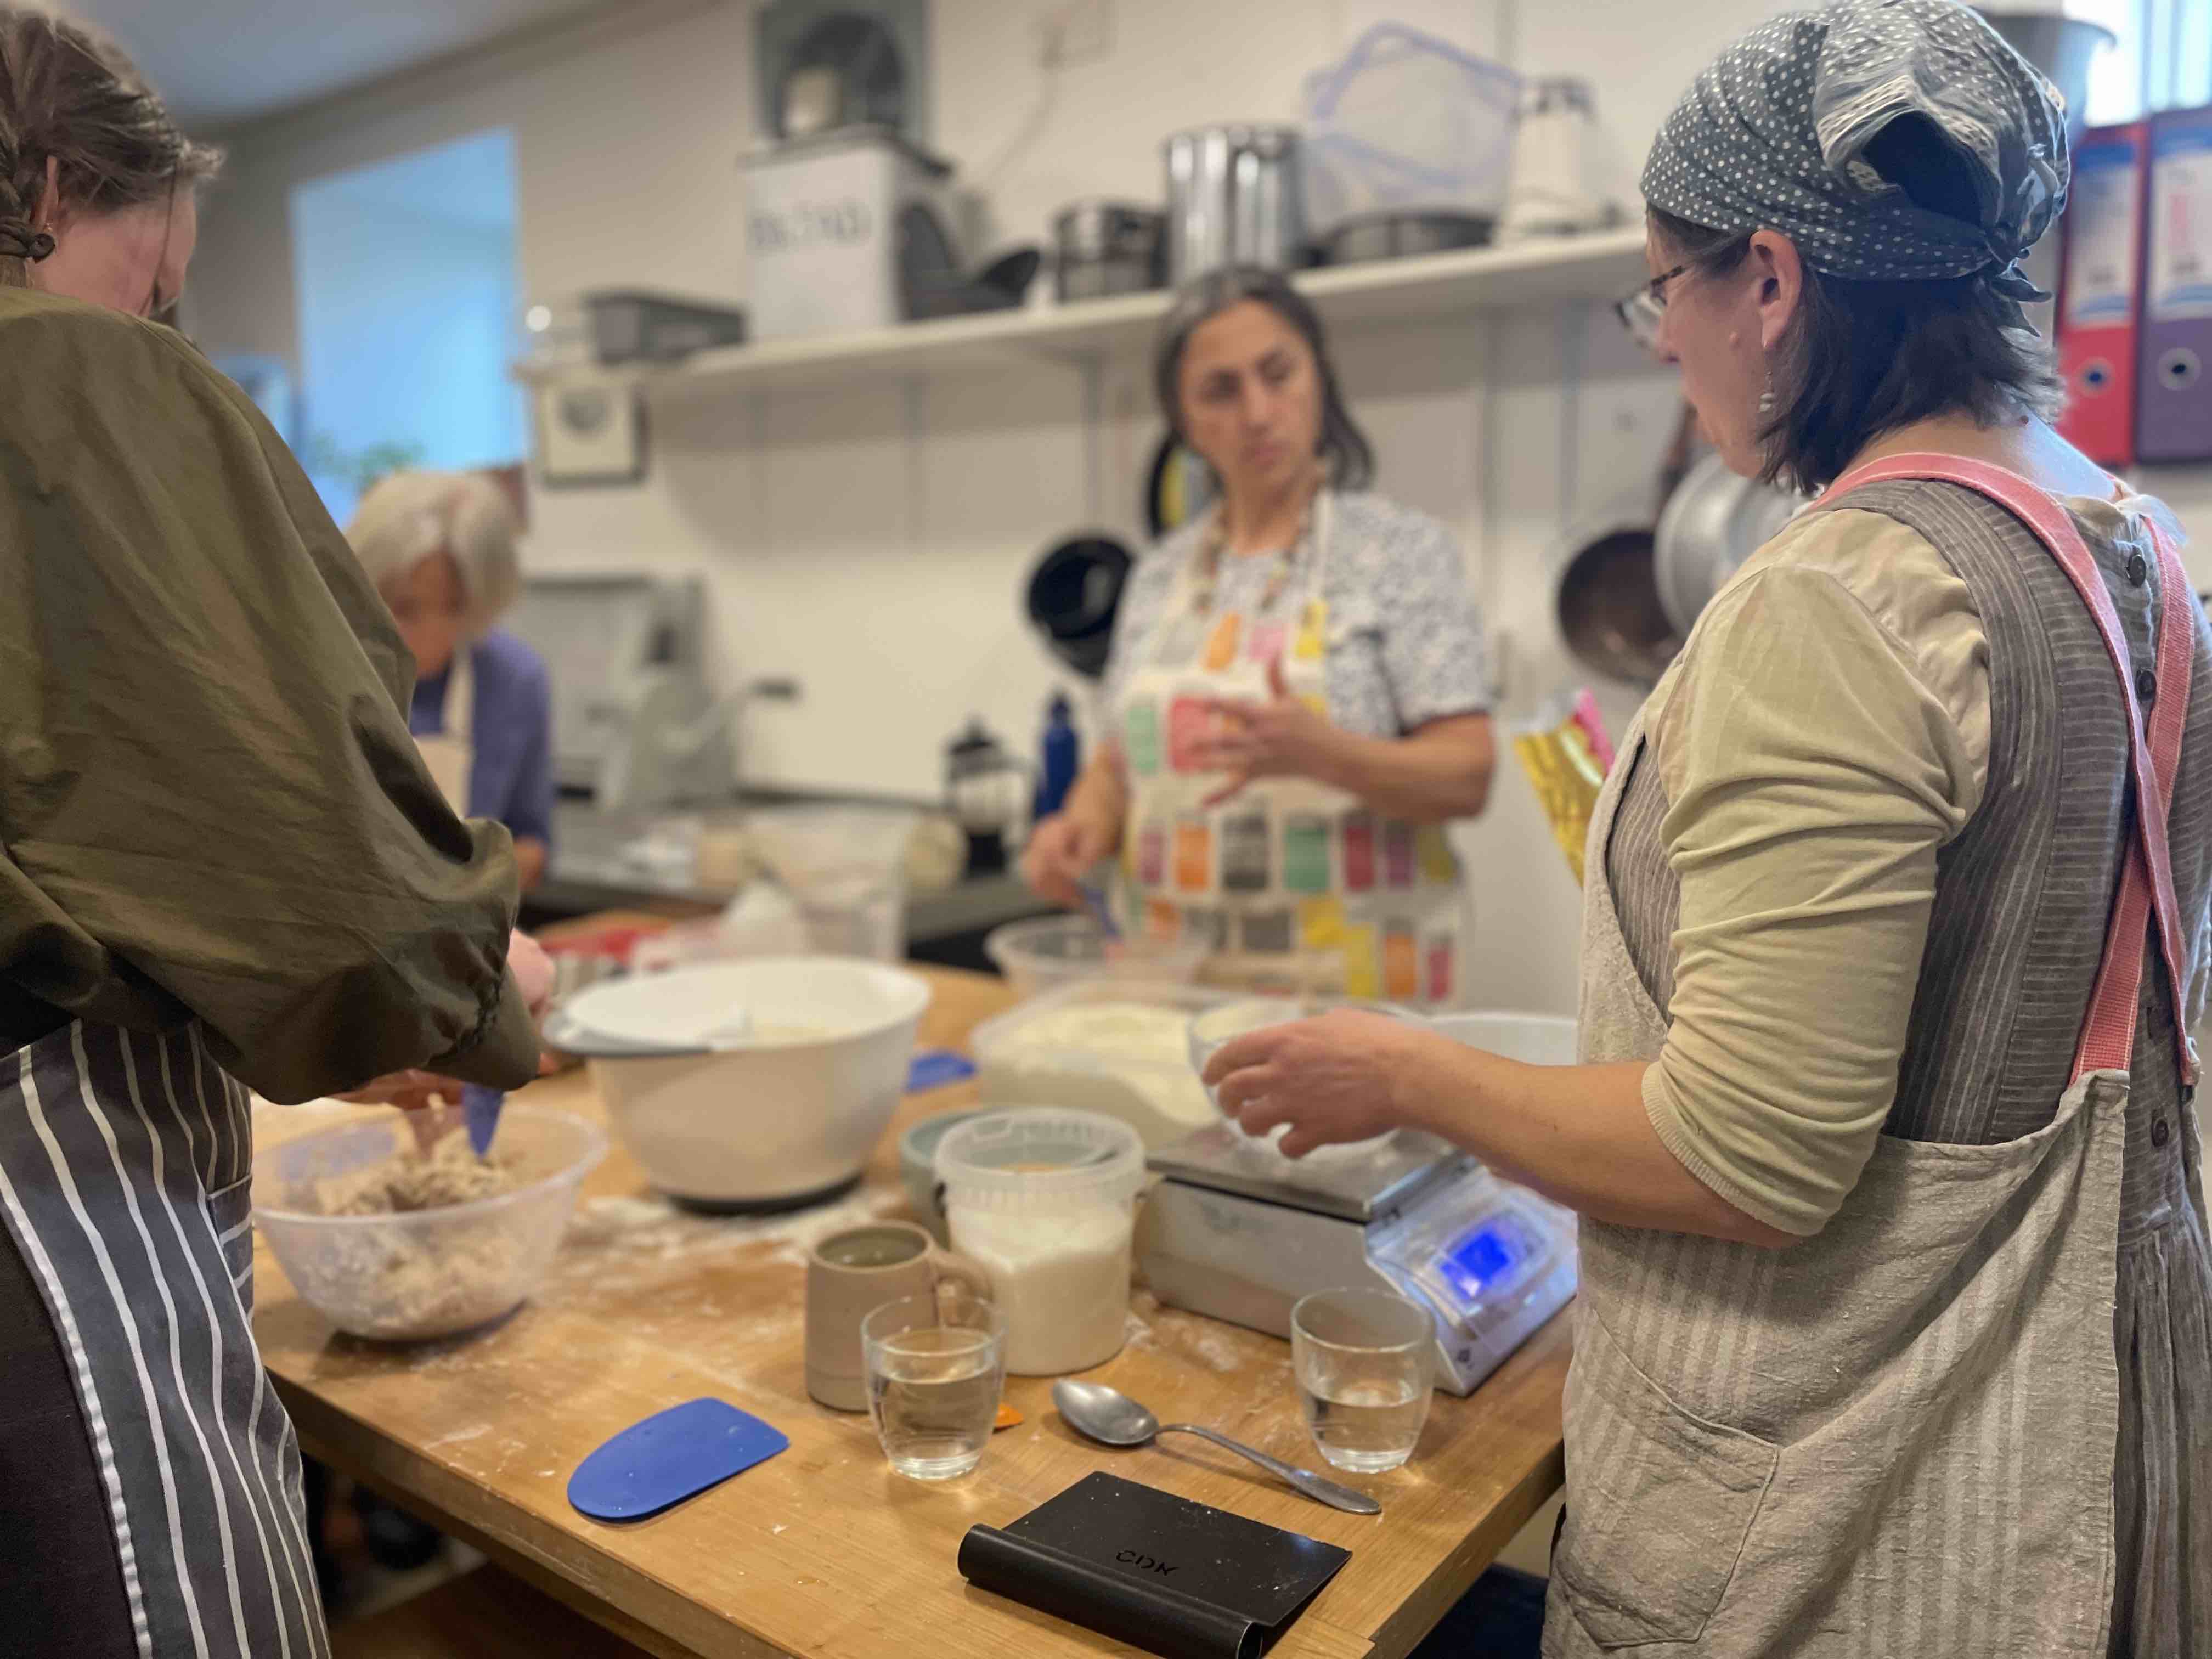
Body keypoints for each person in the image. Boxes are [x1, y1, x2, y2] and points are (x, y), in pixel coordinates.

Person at [1204, 4, 2210, 1655]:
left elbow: (1749, 1155)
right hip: (2085, 1470)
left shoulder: (1845, 597)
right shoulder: (2135, 552)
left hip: (1840, 1523)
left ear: (1772, 280)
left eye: (1665, 290)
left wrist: (1403, 1072)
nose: (1660, 342)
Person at [0, 14, 550, 1654]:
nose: (160, 306)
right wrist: (458, 989)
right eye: (153, 261)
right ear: (52, 179)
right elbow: (340, 886)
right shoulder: (66, 372)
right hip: (45, 1213)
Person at [1023, 267, 1495, 1002]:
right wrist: (1079, 829)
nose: (1258, 411)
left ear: (1320, 374)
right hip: (1169, 991)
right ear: (1183, 423)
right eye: (1220, 391)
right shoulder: (1158, 575)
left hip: (1350, 1006)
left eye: (1279, 374)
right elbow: (1118, 766)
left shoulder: (1400, 554)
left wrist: (1326, 755)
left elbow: (1468, 775)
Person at [347, 470, 556, 892]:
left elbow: (533, 841)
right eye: (402, 607)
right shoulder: (328, 668)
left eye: (451, 610)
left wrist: (473, 877)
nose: (418, 634)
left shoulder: (514, 683)